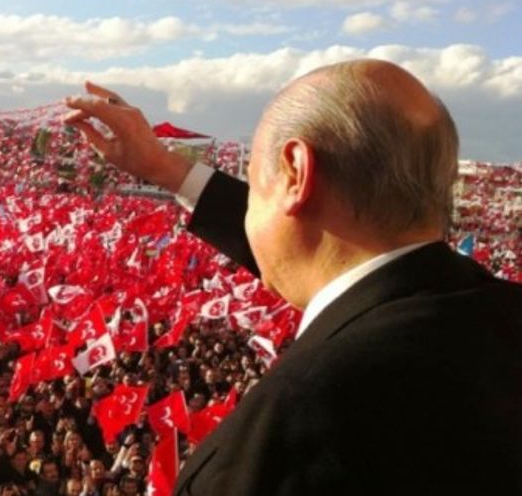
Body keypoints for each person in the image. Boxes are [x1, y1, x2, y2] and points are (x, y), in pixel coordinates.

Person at [64, 59, 522, 494]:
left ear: (295, 173)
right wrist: (165, 168)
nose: (251, 214)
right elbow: (326, 252)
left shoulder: (291, 428)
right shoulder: (497, 315)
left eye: (254, 182)